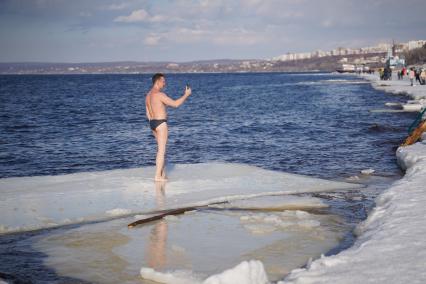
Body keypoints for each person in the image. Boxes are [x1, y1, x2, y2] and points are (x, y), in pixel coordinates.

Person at [145, 73, 192, 181]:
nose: (165, 83)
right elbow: (175, 104)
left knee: (160, 150)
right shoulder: (159, 94)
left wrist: (152, 122)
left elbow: (147, 113)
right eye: (163, 81)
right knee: (162, 150)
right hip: (161, 123)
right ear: (157, 82)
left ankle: (162, 174)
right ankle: (157, 176)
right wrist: (186, 94)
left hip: (152, 123)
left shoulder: (148, 95)